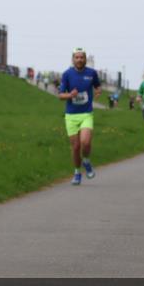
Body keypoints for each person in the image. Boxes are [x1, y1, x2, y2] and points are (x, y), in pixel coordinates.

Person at [57, 48, 102, 185]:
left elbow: (98, 87)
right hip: (71, 115)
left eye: (82, 57)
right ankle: (77, 172)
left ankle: (86, 161)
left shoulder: (91, 73)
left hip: (86, 114)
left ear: (85, 59)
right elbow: (60, 95)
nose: (79, 59)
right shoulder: (67, 74)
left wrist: (97, 93)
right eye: (77, 57)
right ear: (73, 59)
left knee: (85, 142)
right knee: (76, 147)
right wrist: (70, 95)